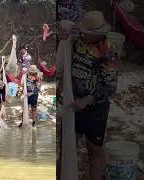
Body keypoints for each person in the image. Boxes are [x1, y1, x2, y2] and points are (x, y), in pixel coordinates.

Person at [62, 11, 118, 180]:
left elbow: (110, 87)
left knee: (94, 152)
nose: (83, 35)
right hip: (74, 105)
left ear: (98, 34)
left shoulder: (108, 52)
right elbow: (65, 29)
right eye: (83, 32)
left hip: (95, 110)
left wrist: (87, 100)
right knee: (67, 148)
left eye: (88, 33)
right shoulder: (78, 40)